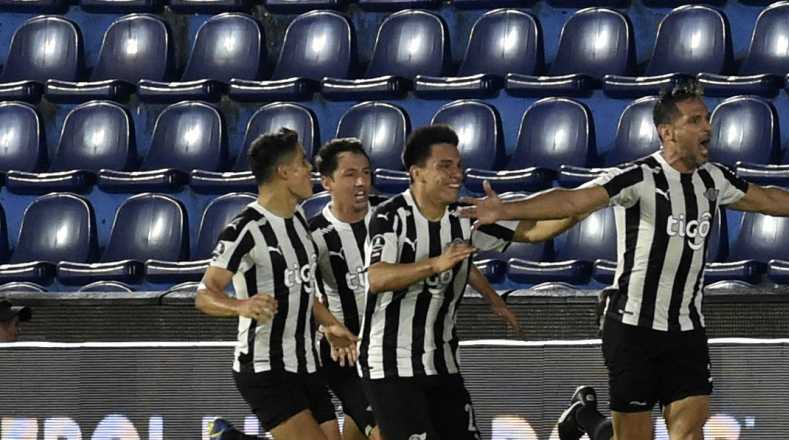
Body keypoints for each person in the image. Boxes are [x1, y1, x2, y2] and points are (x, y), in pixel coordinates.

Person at [458, 82, 789, 440]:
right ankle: (584, 416)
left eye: (707, 118)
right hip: (633, 328)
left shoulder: (715, 179)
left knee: (689, 431)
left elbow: (766, 199)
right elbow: (572, 200)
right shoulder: (636, 179)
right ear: (667, 132)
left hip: (687, 329)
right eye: (695, 120)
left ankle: (585, 416)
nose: (707, 127)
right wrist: (508, 210)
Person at [362, 125, 583, 440]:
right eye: (445, 166)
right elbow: (377, 277)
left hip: (443, 362)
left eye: (459, 165)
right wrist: (436, 264)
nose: (457, 174)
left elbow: (533, 232)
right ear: (417, 173)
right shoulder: (390, 216)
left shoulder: (463, 215)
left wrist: (581, 209)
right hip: (391, 365)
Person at [304, 138, 523, 440]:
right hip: (348, 351)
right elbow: (300, 290)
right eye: (350, 174)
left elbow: (455, 258)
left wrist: (492, 297)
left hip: (396, 346)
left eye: (366, 173)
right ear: (327, 182)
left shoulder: (390, 214)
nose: (361, 182)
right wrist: (328, 326)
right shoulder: (315, 233)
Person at [196, 128, 359, 440]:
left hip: (307, 364)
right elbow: (204, 294)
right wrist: (241, 305)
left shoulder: (299, 221)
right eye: (303, 162)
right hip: (265, 368)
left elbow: (301, 290)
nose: (310, 169)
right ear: (284, 171)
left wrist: (330, 325)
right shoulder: (245, 228)